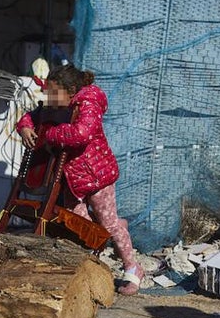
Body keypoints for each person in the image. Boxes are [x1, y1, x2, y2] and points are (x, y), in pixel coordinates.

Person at [16, 64, 142, 294]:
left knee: (108, 223)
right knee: (79, 226)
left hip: (96, 176)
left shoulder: (89, 103)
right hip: (72, 180)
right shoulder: (56, 105)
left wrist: (48, 136)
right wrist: (24, 127)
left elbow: (82, 134)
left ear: (71, 90)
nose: (49, 97)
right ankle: (93, 265)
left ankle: (132, 268)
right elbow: (32, 116)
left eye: (54, 92)